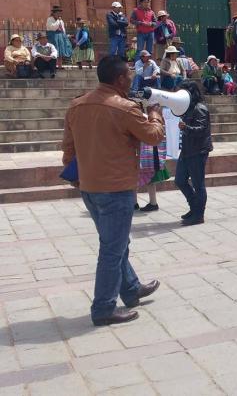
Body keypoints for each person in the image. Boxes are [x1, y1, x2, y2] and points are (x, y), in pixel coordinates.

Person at [62, 57, 164, 325]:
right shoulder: (125, 108)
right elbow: (153, 136)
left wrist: (76, 179)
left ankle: (130, 288)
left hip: (90, 187)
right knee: (112, 249)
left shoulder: (77, 105)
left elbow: (68, 149)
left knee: (116, 243)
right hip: (116, 189)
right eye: (129, 75)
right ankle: (104, 307)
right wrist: (154, 113)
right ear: (120, 79)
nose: (132, 78)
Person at [173, 82, 212, 226]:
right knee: (180, 180)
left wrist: (186, 127)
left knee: (198, 184)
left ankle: (199, 214)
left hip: (198, 150)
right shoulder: (187, 109)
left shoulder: (199, 108)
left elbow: (201, 129)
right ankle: (194, 207)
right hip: (187, 150)